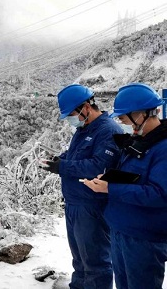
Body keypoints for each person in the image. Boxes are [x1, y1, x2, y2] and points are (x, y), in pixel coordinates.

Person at [84, 82, 167, 289]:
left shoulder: (163, 148)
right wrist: (109, 179)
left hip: (143, 238)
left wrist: (110, 188)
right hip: (121, 228)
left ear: (143, 113)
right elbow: (137, 177)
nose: (127, 125)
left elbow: (159, 194)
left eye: (127, 119)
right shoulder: (141, 141)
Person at [40, 84, 122, 289]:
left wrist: (63, 167)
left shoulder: (108, 130)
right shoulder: (83, 128)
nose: (70, 119)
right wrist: (58, 160)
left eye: (71, 114)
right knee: (80, 261)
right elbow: (74, 155)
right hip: (75, 204)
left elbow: (98, 166)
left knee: (96, 262)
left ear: (86, 107)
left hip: (92, 206)